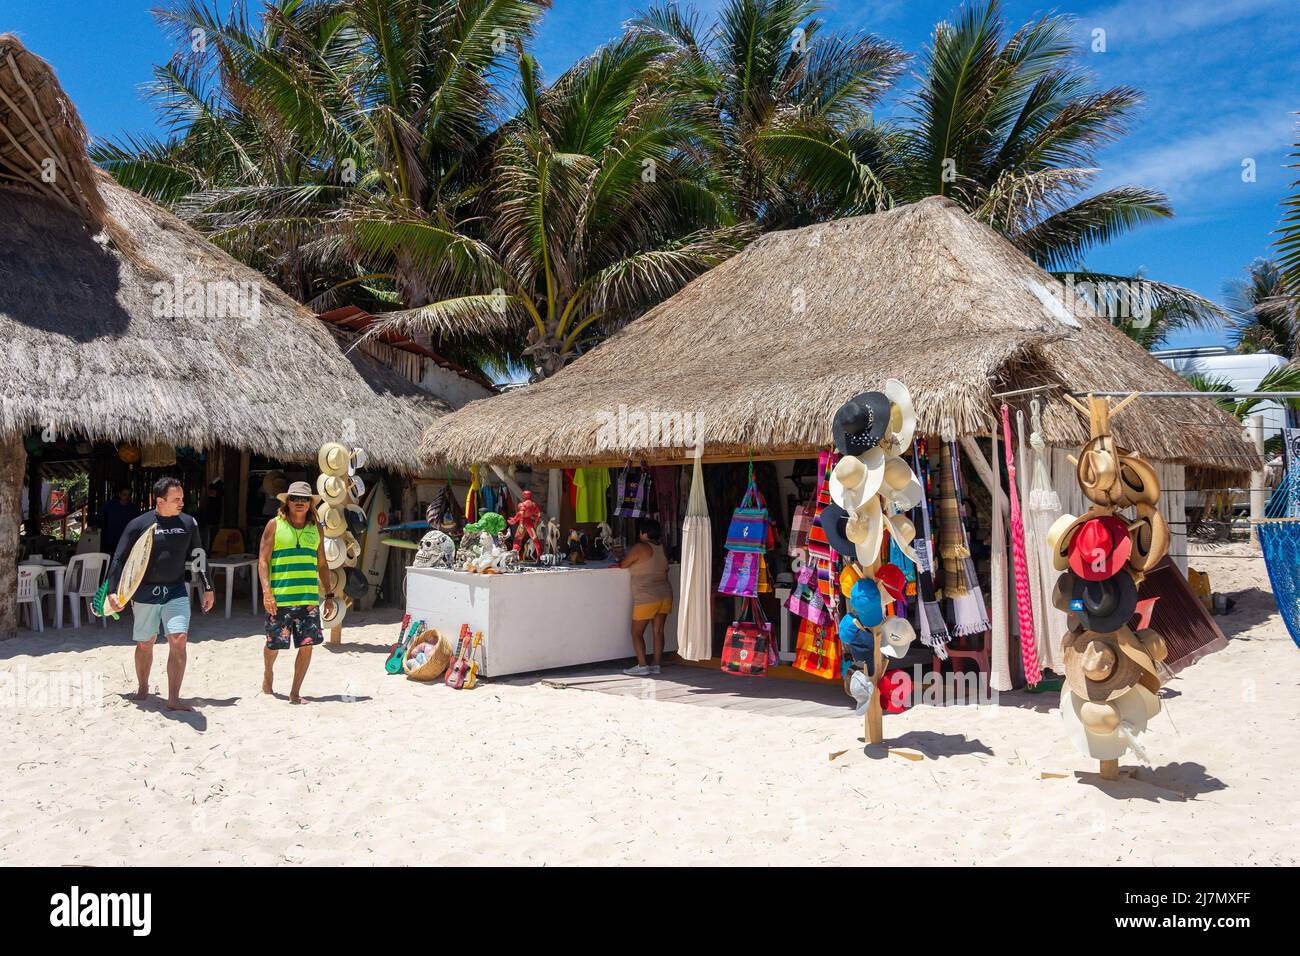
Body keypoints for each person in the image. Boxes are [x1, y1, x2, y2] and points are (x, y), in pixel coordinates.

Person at [105, 478, 214, 711]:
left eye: (182, 498)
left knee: (179, 639)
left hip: (176, 590)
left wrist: (208, 587)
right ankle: (143, 687)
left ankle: (173, 698)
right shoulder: (138, 524)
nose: (181, 503)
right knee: (146, 642)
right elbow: (119, 557)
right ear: (160, 501)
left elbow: (198, 555)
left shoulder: (188, 523)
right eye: (176, 499)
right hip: (145, 592)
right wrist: (112, 591)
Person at [258, 481, 332, 704]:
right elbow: (262, 561)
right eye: (295, 499)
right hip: (280, 599)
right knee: (273, 645)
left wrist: (328, 595)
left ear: (310, 504)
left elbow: (322, 564)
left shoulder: (316, 528)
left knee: (307, 645)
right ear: (287, 502)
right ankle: (268, 673)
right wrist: (267, 593)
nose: (299, 503)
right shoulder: (274, 525)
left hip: (308, 599)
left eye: (304, 499)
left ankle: (295, 692)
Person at [619, 518, 673, 677]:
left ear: (644, 533)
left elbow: (623, 564)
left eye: (640, 530)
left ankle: (642, 665)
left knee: (636, 633)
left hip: (646, 596)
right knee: (658, 631)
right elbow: (666, 569)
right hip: (665, 594)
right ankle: (656, 665)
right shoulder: (663, 548)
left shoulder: (639, 547)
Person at [97, 486, 140, 559]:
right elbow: (99, 518)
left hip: (127, 541)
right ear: (119, 494)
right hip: (111, 540)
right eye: (124, 494)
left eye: (129, 495)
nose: (127, 497)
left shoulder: (133, 509)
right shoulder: (110, 506)